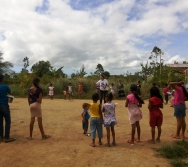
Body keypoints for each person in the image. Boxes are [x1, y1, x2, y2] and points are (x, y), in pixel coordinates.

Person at [0, 74, 16, 143]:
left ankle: (1, 138)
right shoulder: (5, 86)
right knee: (8, 121)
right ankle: (7, 137)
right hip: (4, 105)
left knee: (0, 122)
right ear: (2, 79)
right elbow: (10, 93)